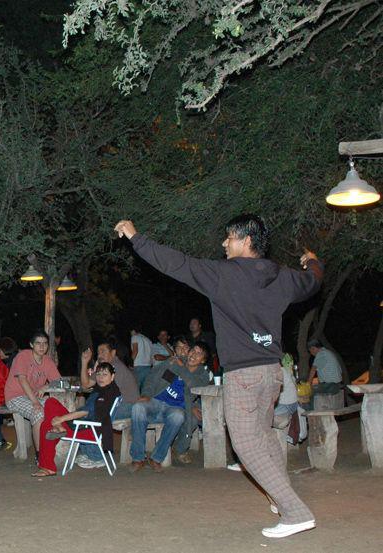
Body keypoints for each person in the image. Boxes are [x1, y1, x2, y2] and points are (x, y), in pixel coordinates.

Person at [115, 215, 322, 538]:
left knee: (244, 442)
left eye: (229, 238)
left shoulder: (224, 274)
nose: (224, 243)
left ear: (247, 241)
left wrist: (136, 238)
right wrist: (312, 262)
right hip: (272, 373)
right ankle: (280, 500)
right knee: (264, 436)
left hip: (243, 374)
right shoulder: (282, 276)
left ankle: (295, 510)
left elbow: (176, 264)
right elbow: (312, 282)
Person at [131, 342, 212, 472]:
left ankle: (156, 458)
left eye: (199, 353)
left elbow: (192, 384)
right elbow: (153, 377)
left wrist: (181, 369)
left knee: (178, 416)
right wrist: (146, 394)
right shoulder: (174, 362)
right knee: (137, 408)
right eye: (193, 350)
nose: (193, 355)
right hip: (156, 401)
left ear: (203, 360)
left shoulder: (202, 375)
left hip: (174, 407)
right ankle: (138, 457)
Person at [34, 361, 122, 476]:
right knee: (50, 402)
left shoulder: (105, 394)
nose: (100, 377)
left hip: (88, 429)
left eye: (105, 374)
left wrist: (61, 419)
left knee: (46, 425)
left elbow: (85, 411)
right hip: (84, 425)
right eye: (99, 374)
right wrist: (61, 420)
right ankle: (58, 428)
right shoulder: (108, 389)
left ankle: (48, 467)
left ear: (112, 376)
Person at [2, 330, 59, 460]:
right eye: (38, 343)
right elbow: (22, 380)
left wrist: (46, 386)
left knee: (55, 408)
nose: (42, 346)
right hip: (15, 396)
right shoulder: (23, 356)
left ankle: (54, 446)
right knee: (38, 413)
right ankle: (40, 455)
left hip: (33, 396)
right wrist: (35, 402)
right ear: (31, 345)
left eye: (45, 343)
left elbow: (58, 382)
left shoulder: (48, 361)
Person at [80, 336, 139, 421]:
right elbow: (86, 384)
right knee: (87, 410)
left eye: (103, 352)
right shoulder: (104, 368)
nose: (100, 355)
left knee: (89, 412)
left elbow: (106, 395)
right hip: (115, 405)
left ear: (113, 353)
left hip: (127, 407)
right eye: (98, 352)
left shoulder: (115, 367)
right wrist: (84, 362)